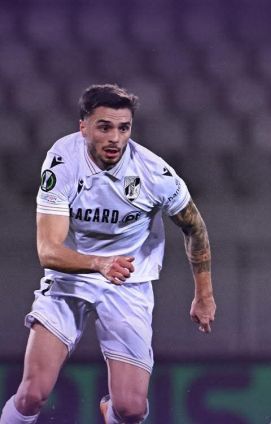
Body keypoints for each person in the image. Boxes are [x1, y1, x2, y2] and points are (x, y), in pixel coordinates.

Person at [0, 84, 216, 424]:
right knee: (32, 395)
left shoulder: (154, 173)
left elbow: (195, 228)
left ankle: (111, 411)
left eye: (124, 128)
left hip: (127, 282)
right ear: (83, 127)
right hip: (70, 277)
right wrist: (98, 263)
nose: (115, 138)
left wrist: (204, 296)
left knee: (131, 409)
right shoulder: (63, 161)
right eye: (104, 127)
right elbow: (48, 250)